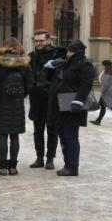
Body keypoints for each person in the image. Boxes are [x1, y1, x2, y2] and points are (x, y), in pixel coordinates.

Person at [45, 40, 95, 176]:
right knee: (64, 136)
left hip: (72, 106)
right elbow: (58, 75)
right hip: (62, 105)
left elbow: (86, 85)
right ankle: (68, 164)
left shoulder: (84, 64)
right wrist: (52, 65)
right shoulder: (69, 63)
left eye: (69, 51)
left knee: (70, 136)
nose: (67, 54)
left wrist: (79, 101)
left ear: (73, 52)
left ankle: (72, 167)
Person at [0, 37, 31, 176]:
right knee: (14, 135)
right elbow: (29, 85)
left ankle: (2, 167)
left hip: (2, 102)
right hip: (17, 104)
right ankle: (13, 167)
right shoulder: (24, 64)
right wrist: (20, 96)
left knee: (2, 134)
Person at [27, 30, 65, 170]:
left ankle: (50, 158)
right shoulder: (31, 56)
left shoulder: (57, 55)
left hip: (51, 97)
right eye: (36, 41)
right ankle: (39, 158)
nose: (38, 43)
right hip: (36, 98)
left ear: (48, 40)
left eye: (41, 41)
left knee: (52, 129)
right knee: (38, 129)